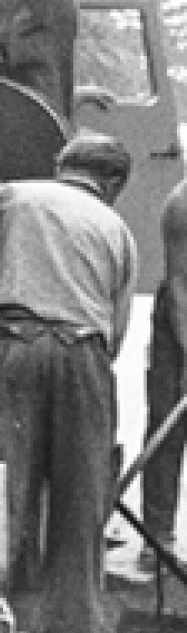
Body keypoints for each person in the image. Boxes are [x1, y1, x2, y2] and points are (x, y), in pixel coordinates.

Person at [0, 134, 137, 633]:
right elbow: (116, 336)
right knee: (81, 510)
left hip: (14, 347)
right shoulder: (119, 232)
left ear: (59, 167)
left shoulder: (17, 196)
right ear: (114, 187)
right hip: (86, 360)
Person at [140, 173, 187, 574]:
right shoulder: (182, 202)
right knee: (168, 424)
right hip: (180, 316)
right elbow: (179, 285)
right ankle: (157, 539)